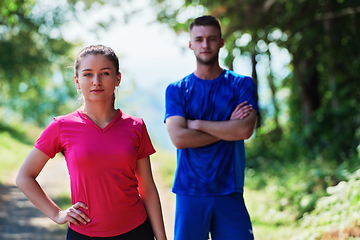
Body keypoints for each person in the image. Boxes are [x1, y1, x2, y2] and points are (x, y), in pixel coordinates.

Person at [16, 45, 167, 240]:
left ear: (117, 79)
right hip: (84, 234)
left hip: (136, 230)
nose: (96, 81)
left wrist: (161, 238)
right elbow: (24, 177)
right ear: (77, 81)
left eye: (105, 73)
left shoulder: (135, 126)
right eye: (88, 74)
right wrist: (56, 214)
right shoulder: (61, 126)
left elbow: (147, 187)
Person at [164, 15, 259, 240]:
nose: (205, 45)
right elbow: (179, 138)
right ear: (190, 44)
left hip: (230, 189)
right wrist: (228, 128)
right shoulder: (177, 89)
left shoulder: (241, 84)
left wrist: (196, 124)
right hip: (190, 190)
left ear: (221, 42)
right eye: (199, 39)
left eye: (211, 39)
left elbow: (244, 131)